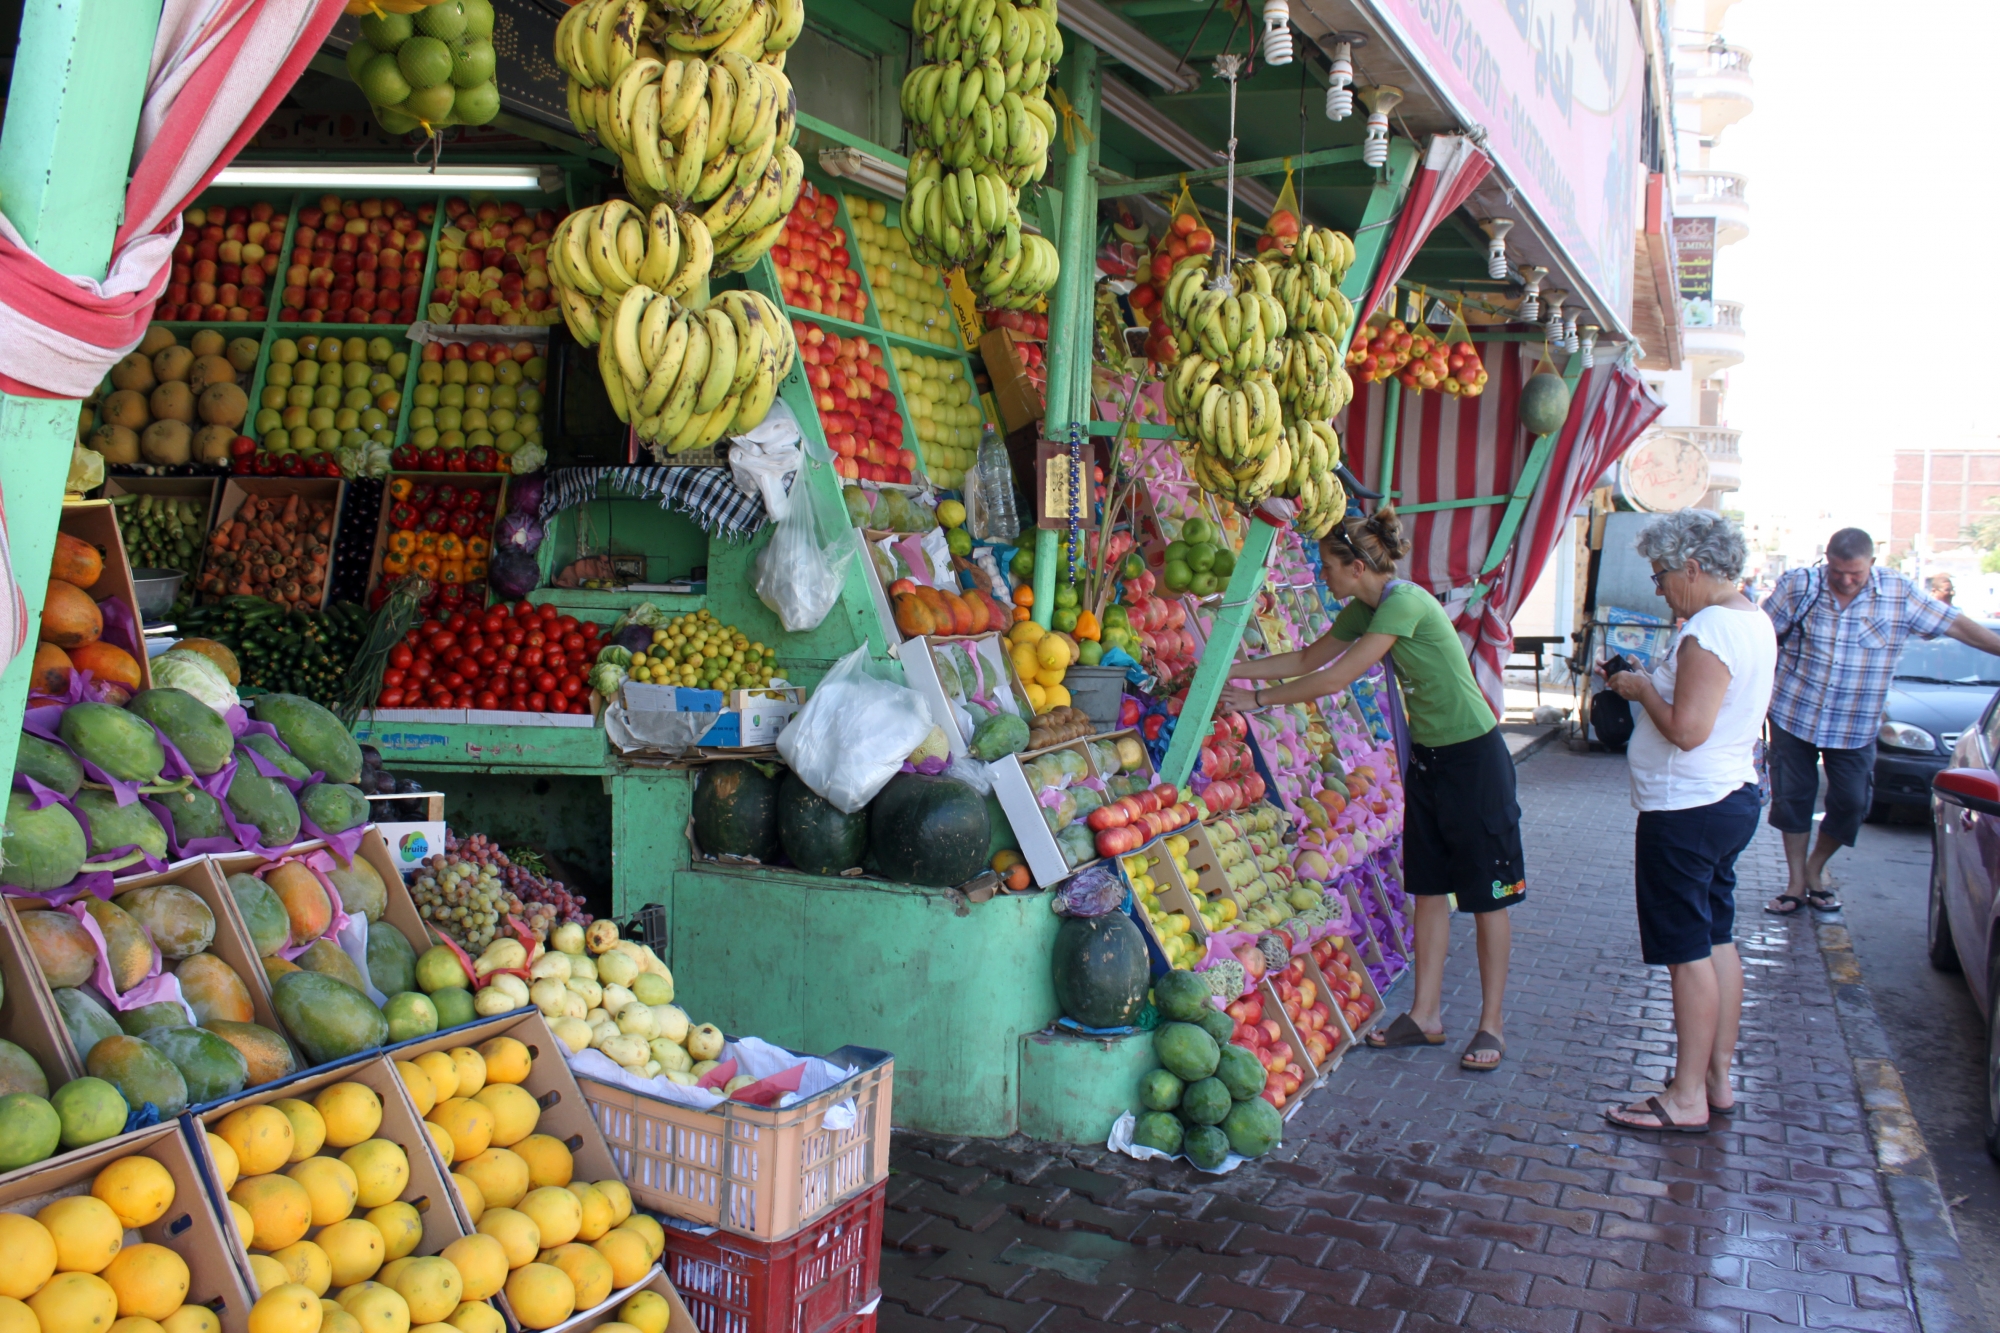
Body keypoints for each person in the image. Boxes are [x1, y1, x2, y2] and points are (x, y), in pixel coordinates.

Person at [1221, 508, 1522, 1072]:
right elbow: (1311, 657)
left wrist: (1257, 701)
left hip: (1474, 760)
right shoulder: (1367, 606)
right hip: (1428, 761)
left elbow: (1336, 677)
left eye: (1330, 567)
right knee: (1429, 889)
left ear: (1357, 565)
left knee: (1487, 895)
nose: (1324, 577)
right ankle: (1425, 1015)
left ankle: (1492, 1025)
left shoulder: (1403, 603)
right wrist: (1234, 669)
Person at [1600, 511, 1774, 1132]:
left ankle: (1685, 1096)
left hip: (1688, 807)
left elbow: (1687, 731)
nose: (1658, 587)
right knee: (1716, 938)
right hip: (1726, 799)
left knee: (1687, 953)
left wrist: (1645, 689)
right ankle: (1714, 1078)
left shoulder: (1709, 630)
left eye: (1661, 574)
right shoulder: (1751, 618)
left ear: (1694, 569)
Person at [1762, 529, 2000, 914]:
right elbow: (1757, 636)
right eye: (1838, 571)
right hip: (1794, 712)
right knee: (1793, 799)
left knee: (1852, 803)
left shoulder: (1898, 592)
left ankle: (1816, 867)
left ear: (1871, 564)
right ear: (1827, 559)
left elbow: (1956, 625)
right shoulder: (1800, 585)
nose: (1846, 580)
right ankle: (1795, 882)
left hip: (1856, 723)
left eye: (1855, 573)